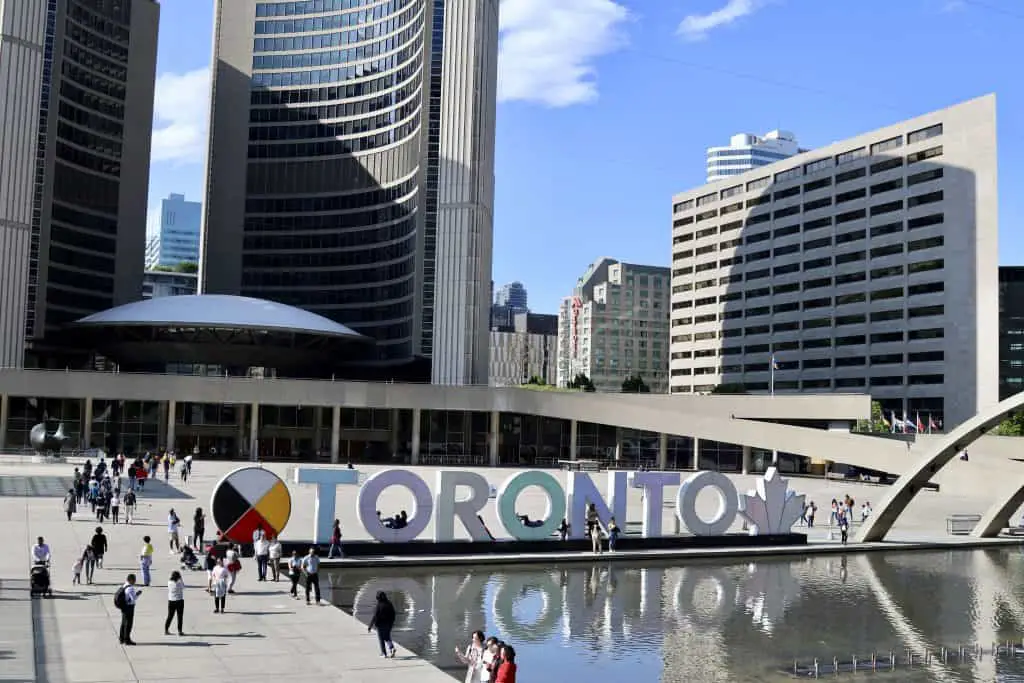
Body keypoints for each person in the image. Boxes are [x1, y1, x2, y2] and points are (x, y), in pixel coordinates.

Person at [368, 590, 397, 658]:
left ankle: (384, 653)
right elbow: (393, 614)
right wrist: (392, 622)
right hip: (389, 624)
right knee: (387, 637)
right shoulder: (389, 603)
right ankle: (391, 648)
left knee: (381, 639)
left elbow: (375, 616)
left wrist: (370, 626)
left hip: (380, 624)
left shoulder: (379, 605)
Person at [116, 574, 142, 645]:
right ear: (131, 580)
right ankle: (127, 639)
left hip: (124, 606)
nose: (135, 582)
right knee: (129, 624)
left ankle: (121, 638)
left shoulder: (124, 585)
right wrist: (138, 594)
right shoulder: (130, 588)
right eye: (134, 580)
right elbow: (133, 599)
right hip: (129, 607)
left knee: (123, 623)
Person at [165, 570, 185, 635]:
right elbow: (183, 587)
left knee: (170, 616)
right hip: (179, 601)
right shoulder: (179, 583)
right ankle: (179, 631)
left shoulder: (169, 582)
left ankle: (166, 629)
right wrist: (181, 579)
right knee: (180, 616)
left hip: (171, 600)